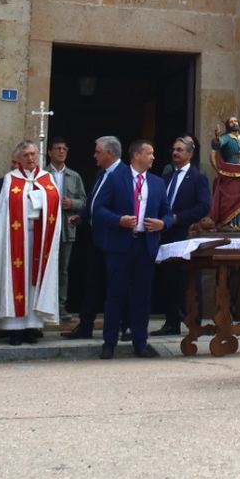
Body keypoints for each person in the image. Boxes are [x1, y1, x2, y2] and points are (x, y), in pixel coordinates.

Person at [0, 140, 65, 344]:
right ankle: (14, 329)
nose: (30, 158)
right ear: (19, 158)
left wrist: (40, 198)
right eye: (26, 155)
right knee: (14, 280)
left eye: (33, 154)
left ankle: (31, 327)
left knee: (34, 282)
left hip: (40, 238)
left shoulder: (47, 178)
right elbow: (4, 212)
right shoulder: (11, 179)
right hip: (15, 239)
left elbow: (54, 202)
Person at [92, 139, 168, 359]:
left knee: (142, 296)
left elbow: (166, 211)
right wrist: (119, 220)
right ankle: (109, 343)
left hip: (145, 245)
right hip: (120, 245)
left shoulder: (157, 183)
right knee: (115, 294)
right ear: (136, 155)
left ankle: (140, 342)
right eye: (149, 153)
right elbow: (99, 209)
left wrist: (163, 224)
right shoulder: (116, 178)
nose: (153, 157)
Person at [65, 137, 125, 340]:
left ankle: (118, 326)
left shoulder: (124, 175)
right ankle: (85, 325)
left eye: (98, 152)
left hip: (115, 239)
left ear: (110, 153)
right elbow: (93, 200)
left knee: (114, 285)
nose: (94, 155)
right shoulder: (101, 173)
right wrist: (82, 216)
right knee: (92, 283)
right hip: (95, 237)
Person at [156, 136, 210, 335]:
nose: (175, 153)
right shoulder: (166, 178)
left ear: (190, 154)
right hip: (165, 234)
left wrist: (179, 218)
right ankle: (172, 322)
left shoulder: (197, 178)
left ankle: (194, 321)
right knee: (169, 279)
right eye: (173, 149)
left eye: (179, 150)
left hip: (185, 234)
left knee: (189, 280)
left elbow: (203, 206)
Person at [43, 139, 87, 326]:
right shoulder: (42, 174)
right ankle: (44, 306)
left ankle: (60, 306)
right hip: (45, 229)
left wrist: (72, 203)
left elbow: (84, 202)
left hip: (66, 229)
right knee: (44, 268)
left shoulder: (74, 176)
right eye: (58, 149)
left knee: (63, 269)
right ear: (49, 152)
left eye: (64, 149)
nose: (61, 152)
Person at [210, 116, 240, 232]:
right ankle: (228, 223)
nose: (234, 123)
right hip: (230, 173)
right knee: (231, 198)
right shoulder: (226, 138)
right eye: (231, 122)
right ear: (227, 125)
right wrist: (217, 138)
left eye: (235, 121)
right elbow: (217, 145)